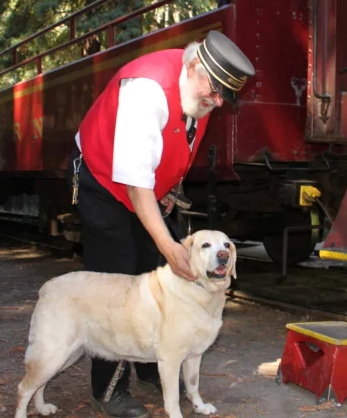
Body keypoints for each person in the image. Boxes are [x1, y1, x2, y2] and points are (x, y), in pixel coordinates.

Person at [69, 30, 255, 418]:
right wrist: (171, 248)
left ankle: (155, 361)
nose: (217, 101)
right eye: (215, 91)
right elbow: (136, 189)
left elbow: (172, 149)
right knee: (116, 285)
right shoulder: (147, 90)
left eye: (223, 96)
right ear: (192, 68)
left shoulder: (196, 94)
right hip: (105, 186)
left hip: (146, 191)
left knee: (147, 275)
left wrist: (170, 189)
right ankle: (108, 391)